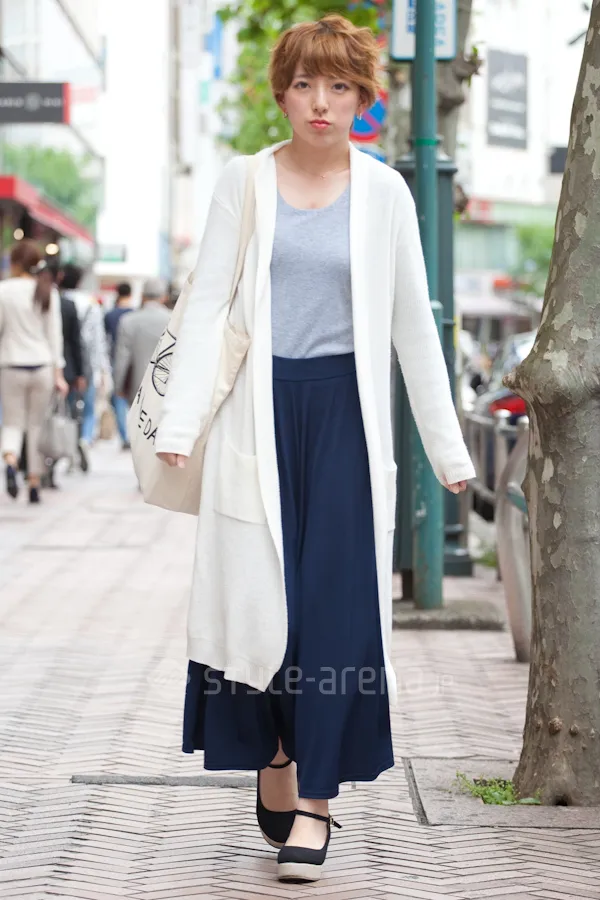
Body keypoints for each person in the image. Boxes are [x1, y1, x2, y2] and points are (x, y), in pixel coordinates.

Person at [154, 15, 476, 884]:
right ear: (283, 94)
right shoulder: (244, 180)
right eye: (305, 85)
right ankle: (275, 752)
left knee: (335, 613)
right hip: (258, 415)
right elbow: (209, 303)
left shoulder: (385, 194)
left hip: (346, 420)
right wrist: (180, 425)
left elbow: (413, 326)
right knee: (261, 605)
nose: (321, 103)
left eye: (339, 86)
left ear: (363, 98)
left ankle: (318, 803)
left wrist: (449, 450)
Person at [0, 240, 68, 503]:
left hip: (11, 364)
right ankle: (34, 482)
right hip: (42, 366)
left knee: (13, 423)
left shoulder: (4, 290)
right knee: (36, 425)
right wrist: (59, 374)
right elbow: (55, 336)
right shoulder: (47, 290)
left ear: (15, 263)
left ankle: (10, 460)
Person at [60, 263, 110, 470]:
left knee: (63, 409)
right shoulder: (91, 303)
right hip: (86, 364)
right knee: (87, 408)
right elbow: (98, 340)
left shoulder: (55, 301)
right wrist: (102, 369)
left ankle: (68, 445)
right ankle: (84, 438)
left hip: (62, 363)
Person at [113, 278, 170, 405]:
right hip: (166, 388)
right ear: (164, 297)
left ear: (142, 296)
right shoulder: (173, 320)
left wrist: (118, 386)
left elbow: (122, 357)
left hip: (137, 387)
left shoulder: (128, 320)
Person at [105, 282, 134, 449]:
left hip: (115, 360)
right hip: (135, 362)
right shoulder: (134, 314)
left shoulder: (110, 315)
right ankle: (134, 433)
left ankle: (124, 436)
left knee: (119, 397)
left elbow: (106, 340)